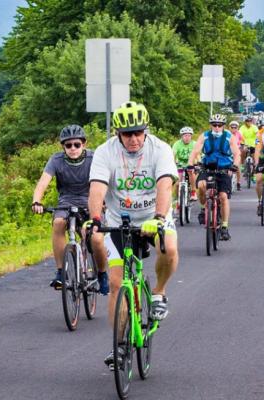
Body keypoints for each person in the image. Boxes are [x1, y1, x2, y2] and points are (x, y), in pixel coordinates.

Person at [87, 101, 179, 367]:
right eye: (128, 134)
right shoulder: (106, 152)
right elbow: (97, 188)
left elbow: (164, 186)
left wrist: (159, 218)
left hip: (153, 217)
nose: (134, 139)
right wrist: (95, 219)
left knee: (169, 249)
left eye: (139, 132)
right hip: (119, 222)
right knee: (117, 284)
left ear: (145, 131)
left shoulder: (159, 149)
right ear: (118, 134)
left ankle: (159, 292)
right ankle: (119, 347)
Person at [32, 125, 108, 294]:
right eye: (68, 145)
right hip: (65, 201)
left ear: (84, 144)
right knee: (58, 223)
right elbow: (43, 183)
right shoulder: (56, 160)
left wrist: (104, 201)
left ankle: (102, 274)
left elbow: (104, 181)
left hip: (90, 201)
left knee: (94, 238)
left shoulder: (94, 158)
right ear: (63, 147)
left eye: (77, 144)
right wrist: (36, 201)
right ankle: (61, 272)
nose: (73, 148)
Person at [187, 114, 240, 240]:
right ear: (211, 125)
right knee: (201, 186)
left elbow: (237, 153)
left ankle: (225, 227)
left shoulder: (229, 137)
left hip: (224, 168)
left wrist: (235, 165)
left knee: (223, 196)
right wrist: (190, 164)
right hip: (208, 167)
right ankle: (202, 208)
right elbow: (195, 151)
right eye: (214, 125)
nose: (217, 127)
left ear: (223, 126)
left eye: (219, 125)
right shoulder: (204, 136)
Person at [172, 126, 197, 202]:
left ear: (191, 136)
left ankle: (193, 192)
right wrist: (173, 161)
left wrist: (196, 162)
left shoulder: (194, 144)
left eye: (189, 135)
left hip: (191, 164)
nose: (187, 137)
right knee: (177, 183)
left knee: (191, 174)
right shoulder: (177, 144)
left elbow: (198, 154)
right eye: (185, 135)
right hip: (180, 165)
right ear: (181, 136)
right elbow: (173, 154)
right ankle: (175, 199)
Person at [228, 121, 244, 191]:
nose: (234, 129)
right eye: (232, 127)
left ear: (237, 128)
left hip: (236, 152)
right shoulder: (227, 134)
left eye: (235, 127)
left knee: (237, 168)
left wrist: (242, 145)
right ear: (230, 128)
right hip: (228, 152)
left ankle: (238, 183)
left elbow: (243, 140)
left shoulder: (239, 134)